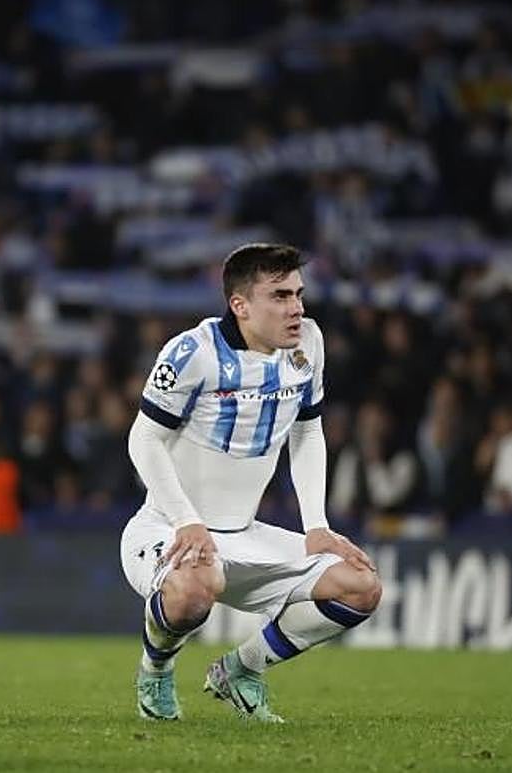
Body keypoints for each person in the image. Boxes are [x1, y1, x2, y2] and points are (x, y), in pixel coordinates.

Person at [119, 243, 382, 723]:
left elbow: (307, 432)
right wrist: (186, 520)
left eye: (298, 294)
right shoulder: (193, 353)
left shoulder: (309, 343)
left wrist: (317, 526)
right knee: (195, 586)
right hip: (167, 529)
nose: (296, 308)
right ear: (240, 305)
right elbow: (143, 439)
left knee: (361, 587)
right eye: (280, 296)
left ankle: (241, 669)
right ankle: (155, 671)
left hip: (244, 533)